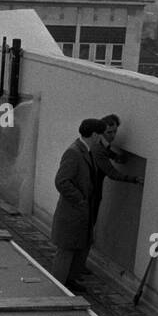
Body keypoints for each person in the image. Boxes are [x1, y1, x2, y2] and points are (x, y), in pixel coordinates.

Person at [51, 118, 103, 292]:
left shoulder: (85, 151)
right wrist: (80, 199)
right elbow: (62, 181)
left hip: (80, 211)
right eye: (100, 135)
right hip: (73, 211)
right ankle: (59, 285)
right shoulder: (74, 153)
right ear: (94, 134)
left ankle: (69, 280)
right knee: (66, 249)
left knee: (78, 247)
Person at [90, 113, 143, 228]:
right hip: (90, 193)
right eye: (109, 132)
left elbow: (108, 153)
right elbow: (112, 173)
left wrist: (118, 157)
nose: (113, 136)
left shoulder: (102, 145)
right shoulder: (98, 148)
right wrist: (134, 179)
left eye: (115, 132)